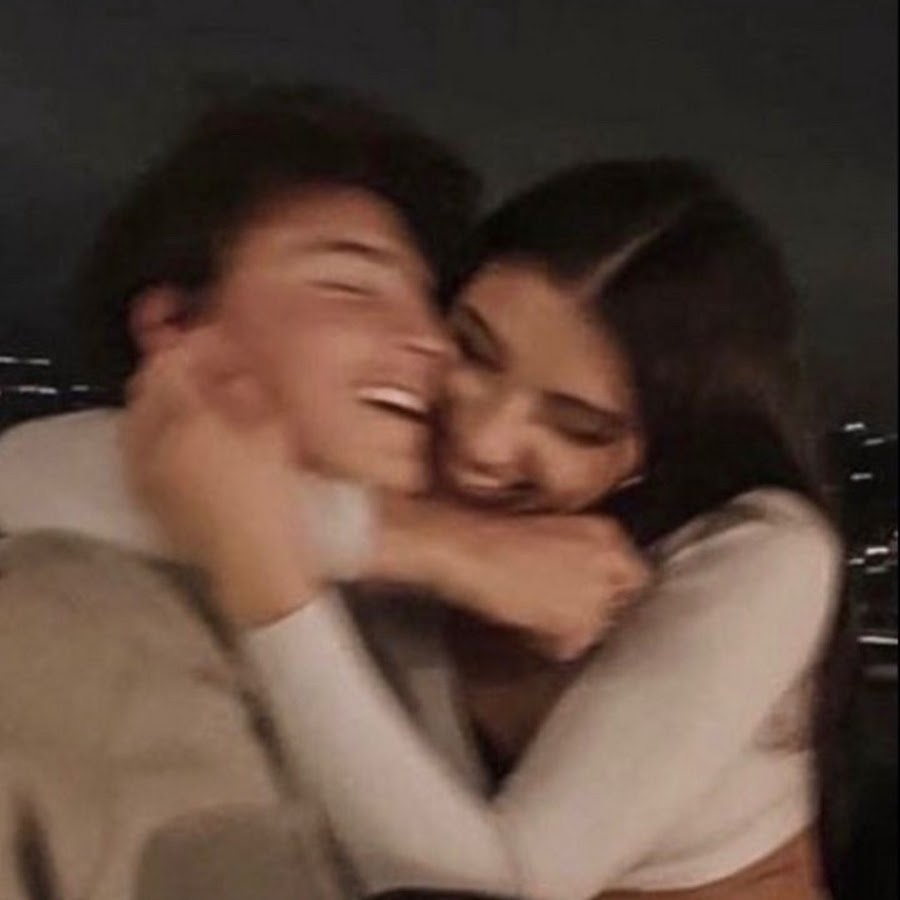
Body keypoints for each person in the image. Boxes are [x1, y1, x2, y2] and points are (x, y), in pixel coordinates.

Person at [127, 160, 845, 899]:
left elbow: (516, 880)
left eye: (576, 425)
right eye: (473, 349)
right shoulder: (400, 468)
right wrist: (429, 544)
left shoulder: (761, 553)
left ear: (664, 450)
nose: (483, 440)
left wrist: (278, 584)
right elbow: (81, 473)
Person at [0, 83, 640, 900]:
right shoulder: (78, 636)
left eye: (436, 308)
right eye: (350, 285)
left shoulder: (406, 621)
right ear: (174, 328)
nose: (431, 343)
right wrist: (441, 546)